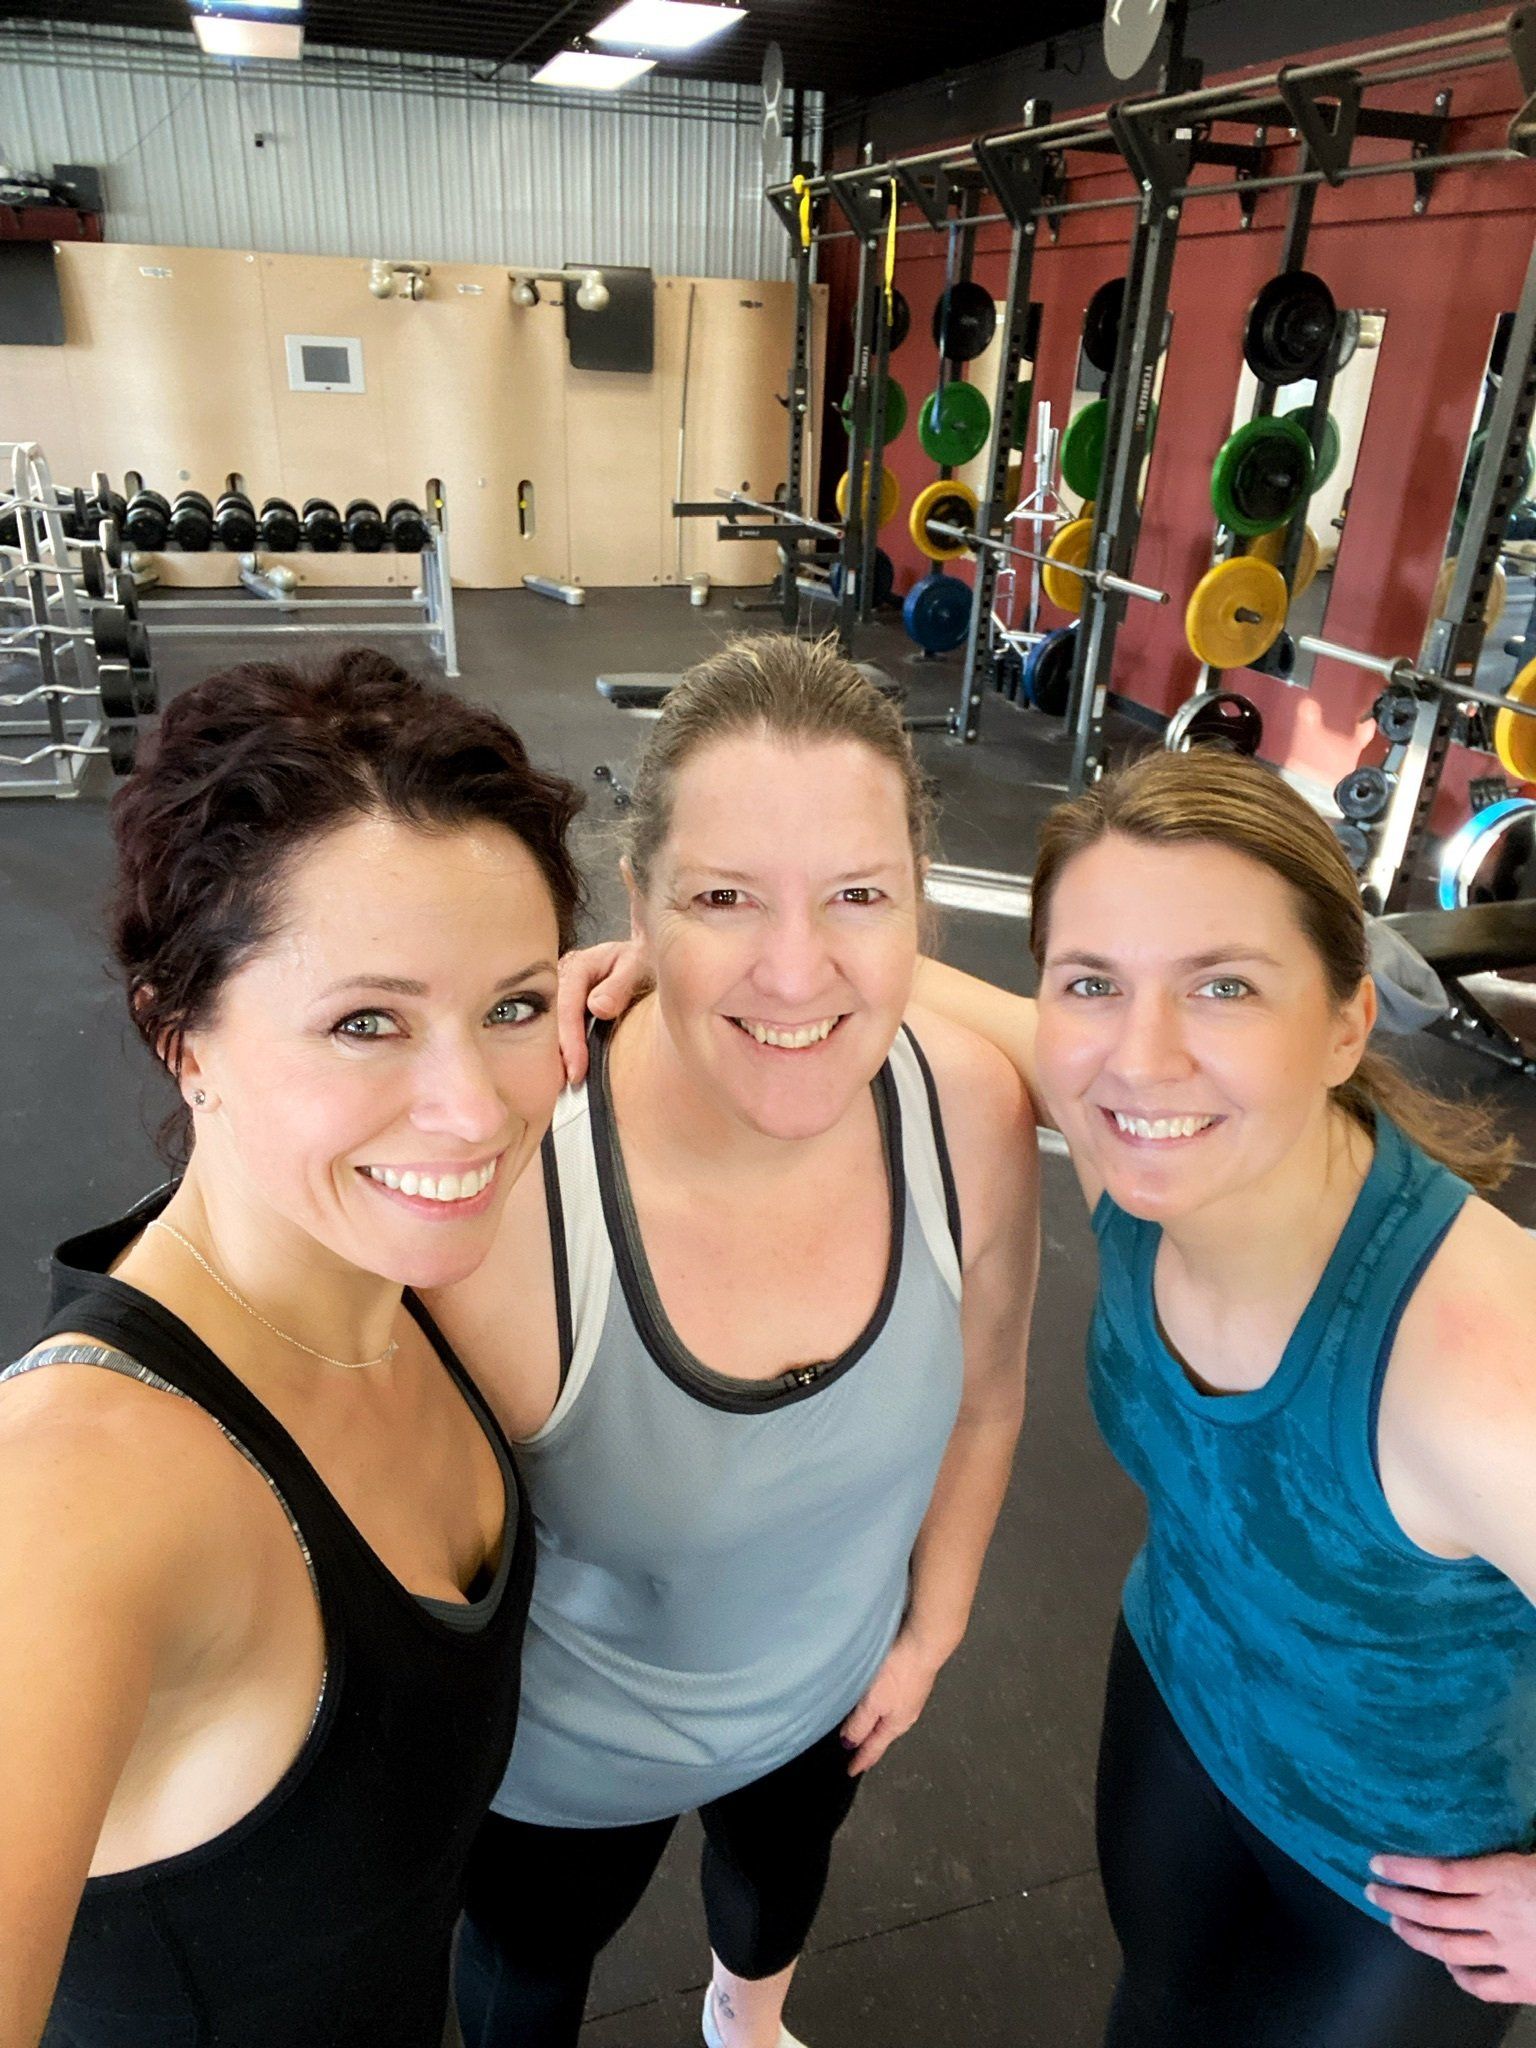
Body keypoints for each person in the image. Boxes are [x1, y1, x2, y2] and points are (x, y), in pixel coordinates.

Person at [562, 742, 1536, 2046]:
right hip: (1186, 1708)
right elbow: (902, 983)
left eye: (1226, 988)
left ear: (1347, 1020)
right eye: (1091, 983)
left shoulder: (1481, 1365)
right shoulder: (1126, 1139)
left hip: (1410, 1878)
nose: (1140, 1060)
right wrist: (696, 965)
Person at [425, 634, 1040, 2048]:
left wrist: (929, 1631)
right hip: (557, 1771)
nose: (794, 968)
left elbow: (991, 1399)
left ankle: (743, 2023)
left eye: (858, 897)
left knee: (774, 1890)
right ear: (637, 906)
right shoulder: (512, 1197)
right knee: (527, 1980)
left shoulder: (973, 1117)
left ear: (920, 908)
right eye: (722, 898)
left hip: (833, 1693)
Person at [0, 650, 583, 2048]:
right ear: (180, 1037)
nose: (475, 1110)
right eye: (365, 1022)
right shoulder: (74, 1502)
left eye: (513, 1006)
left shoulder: (402, 1273)